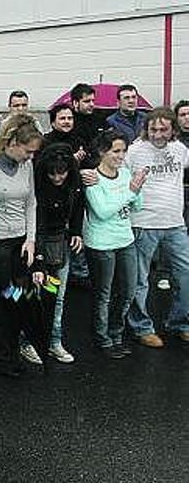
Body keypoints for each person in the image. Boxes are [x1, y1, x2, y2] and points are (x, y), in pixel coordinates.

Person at [0, 114, 45, 376]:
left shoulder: (26, 167)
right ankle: (1, 359)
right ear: (13, 142)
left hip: (20, 244)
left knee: (21, 300)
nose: (30, 157)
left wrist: (30, 240)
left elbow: (31, 203)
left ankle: (14, 351)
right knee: (1, 303)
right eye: (27, 151)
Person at [124, 107, 189, 346]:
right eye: (153, 129)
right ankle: (141, 328)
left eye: (163, 130)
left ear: (173, 130)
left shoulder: (180, 150)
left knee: (185, 275)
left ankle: (180, 323)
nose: (158, 134)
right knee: (140, 280)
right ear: (146, 129)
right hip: (143, 223)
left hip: (176, 224)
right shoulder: (134, 151)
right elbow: (117, 175)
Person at [84, 131, 145, 358]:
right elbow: (102, 211)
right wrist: (130, 191)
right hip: (101, 244)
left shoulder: (126, 173)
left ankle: (116, 333)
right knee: (104, 293)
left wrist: (137, 189)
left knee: (128, 290)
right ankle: (102, 337)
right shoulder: (92, 178)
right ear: (102, 152)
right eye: (116, 151)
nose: (121, 156)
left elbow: (137, 206)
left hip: (125, 239)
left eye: (123, 151)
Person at [34, 143, 85, 363]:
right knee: (33, 295)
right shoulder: (38, 186)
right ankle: (30, 340)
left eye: (61, 173)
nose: (57, 178)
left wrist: (76, 231)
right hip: (39, 243)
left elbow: (78, 207)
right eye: (52, 173)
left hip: (60, 245)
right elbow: (36, 222)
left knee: (57, 296)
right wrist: (37, 261)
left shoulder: (73, 183)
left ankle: (53, 341)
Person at [70, 83, 108, 162]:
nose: (91, 104)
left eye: (93, 101)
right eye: (87, 101)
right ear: (75, 103)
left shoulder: (99, 118)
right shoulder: (69, 120)